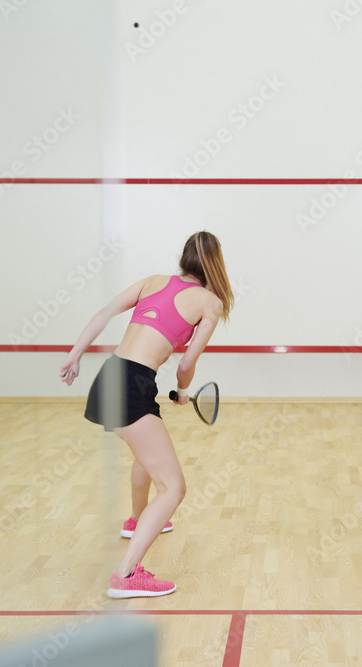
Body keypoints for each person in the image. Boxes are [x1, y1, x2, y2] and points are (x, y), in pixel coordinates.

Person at [59, 231, 233, 598]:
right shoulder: (210, 302)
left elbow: (104, 313)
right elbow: (186, 363)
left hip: (109, 376)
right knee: (173, 487)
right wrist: (183, 392)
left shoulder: (154, 281)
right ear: (216, 263)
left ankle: (137, 521)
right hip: (134, 384)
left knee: (147, 455)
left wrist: (75, 354)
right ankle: (126, 575)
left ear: (184, 258)